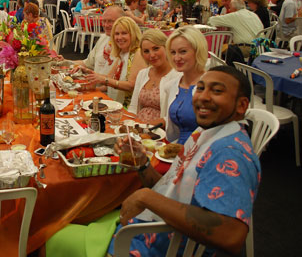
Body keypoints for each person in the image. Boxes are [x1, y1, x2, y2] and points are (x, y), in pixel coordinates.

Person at [106, 65, 260, 257]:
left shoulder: (229, 153)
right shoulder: (204, 133)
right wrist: (142, 162)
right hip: (146, 229)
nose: (203, 97)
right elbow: (168, 189)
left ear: (241, 106)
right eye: (201, 88)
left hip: (157, 247)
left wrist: (146, 197)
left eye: (217, 91)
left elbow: (231, 235)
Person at [158, 26, 207, 144]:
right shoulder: (172, 86)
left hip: (202, 150)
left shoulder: (210, 86)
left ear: (198, 51)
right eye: (173, 52)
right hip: (176, 149)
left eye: (183, 51)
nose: (176, 58)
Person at [85, 16, 145, 105]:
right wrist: (89, 75)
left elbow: (131, 85)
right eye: (117, 34)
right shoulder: (122, 54)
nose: (119, 37)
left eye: (124, 33)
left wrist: (103, 79)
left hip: (130, 106)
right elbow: (109, 78)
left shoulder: (138, 53)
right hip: (116, 104)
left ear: (133, 34)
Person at [128, 29, 179, 122]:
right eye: (146, 51)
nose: (151, 55)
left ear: (166, 47)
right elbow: (133, 107)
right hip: (138, 126)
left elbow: (174, 116)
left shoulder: (177, 76)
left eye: (156, 48)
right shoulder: (143, 74)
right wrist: (128, 125)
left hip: (161, 130)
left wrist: (150, 126)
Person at [71, 6, 121, 76]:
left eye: (110, 21)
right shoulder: (103, 38)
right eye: (104, 21)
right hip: (96, 83)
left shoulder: (124, 44)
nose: (106, 25)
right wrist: (64, 61)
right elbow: (86, 64)